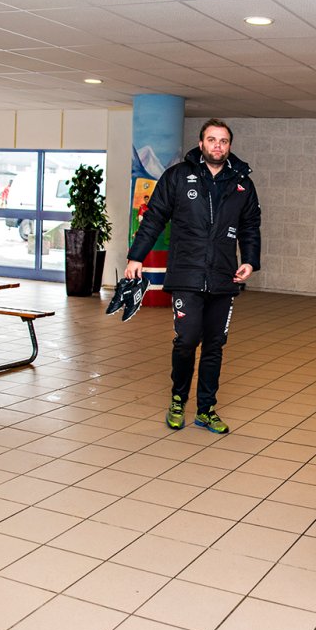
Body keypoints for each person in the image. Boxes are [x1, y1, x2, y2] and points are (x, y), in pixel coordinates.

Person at [125, 118, 261, 435]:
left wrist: (250, 262)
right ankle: (177, 399)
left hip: (224, 277)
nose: (217, 145)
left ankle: (206, 409)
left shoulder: (242, 183)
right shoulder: (177, 177)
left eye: (223, 141)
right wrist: (136, 256)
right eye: (211, 139)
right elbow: (154, 217)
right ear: (201, 144)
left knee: (215, 345)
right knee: (187, 341)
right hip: (186, 273)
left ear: (229, 146)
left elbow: (251, 225)